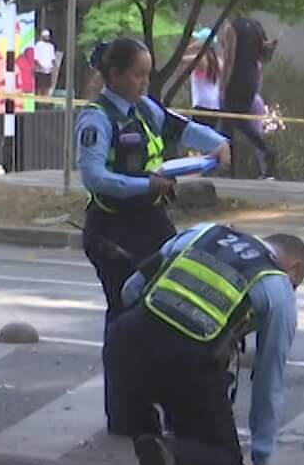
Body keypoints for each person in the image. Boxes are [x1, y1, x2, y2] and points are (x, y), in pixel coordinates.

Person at [106, 223, 304, 465]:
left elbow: (131, 290)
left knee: (167, 412)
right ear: (294, 270)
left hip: (123, 343)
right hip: (187, 365)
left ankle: (154, 449)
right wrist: (262, 461)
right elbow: (268, 379)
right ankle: (172, 456)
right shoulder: (277, 287)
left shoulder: (205, 233)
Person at [76, 38, 231, 328]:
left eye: (147, 74)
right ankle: (122, 369)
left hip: (151, 221)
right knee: (126, 308)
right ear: (114, 75)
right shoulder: (96, 119)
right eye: (137, 75)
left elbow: (181, 128)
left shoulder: (144, 108)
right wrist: (147, 184)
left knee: (165, 302)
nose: (145, 82)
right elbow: (94, 178)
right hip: (112, 228)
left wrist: (218, 143)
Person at [219, 16, 280, 179]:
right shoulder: (256, 25)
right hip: (251, 79)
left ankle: (230, 167)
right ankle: (264, 151)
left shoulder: (231, 26)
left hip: (235, 80)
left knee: (229, 123)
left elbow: (229, 58)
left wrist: (223, 85)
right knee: (238, 121)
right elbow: (264, 55)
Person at [33, 29, 58, 95]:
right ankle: (39, 101)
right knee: (39, 87)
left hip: (48, 70)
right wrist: (40, 66)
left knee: (47, 87)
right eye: (46, 36)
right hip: (40, 70)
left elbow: (53, 58)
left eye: (48, 36)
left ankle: (45, 102)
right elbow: (36, 58)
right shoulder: (38, 45)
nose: (47, 37)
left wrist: (55, 67)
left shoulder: (51, 46)